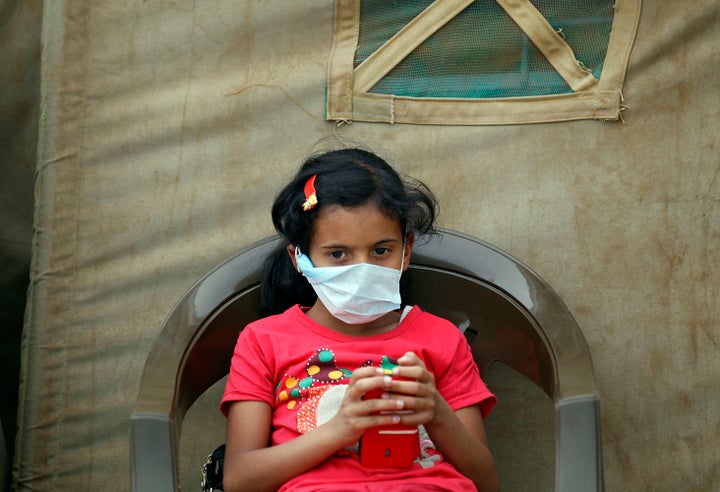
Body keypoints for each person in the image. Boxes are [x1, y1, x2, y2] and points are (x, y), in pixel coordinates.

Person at [220, 148, 499, 491]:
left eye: (381, 251)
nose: (362, 269)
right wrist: (340, 429)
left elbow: (485, 481)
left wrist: (437, 413)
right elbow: (239, 480)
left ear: (406, 250)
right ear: (299, 258)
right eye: (338, 254)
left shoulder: (442, 339)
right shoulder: (263, 341)